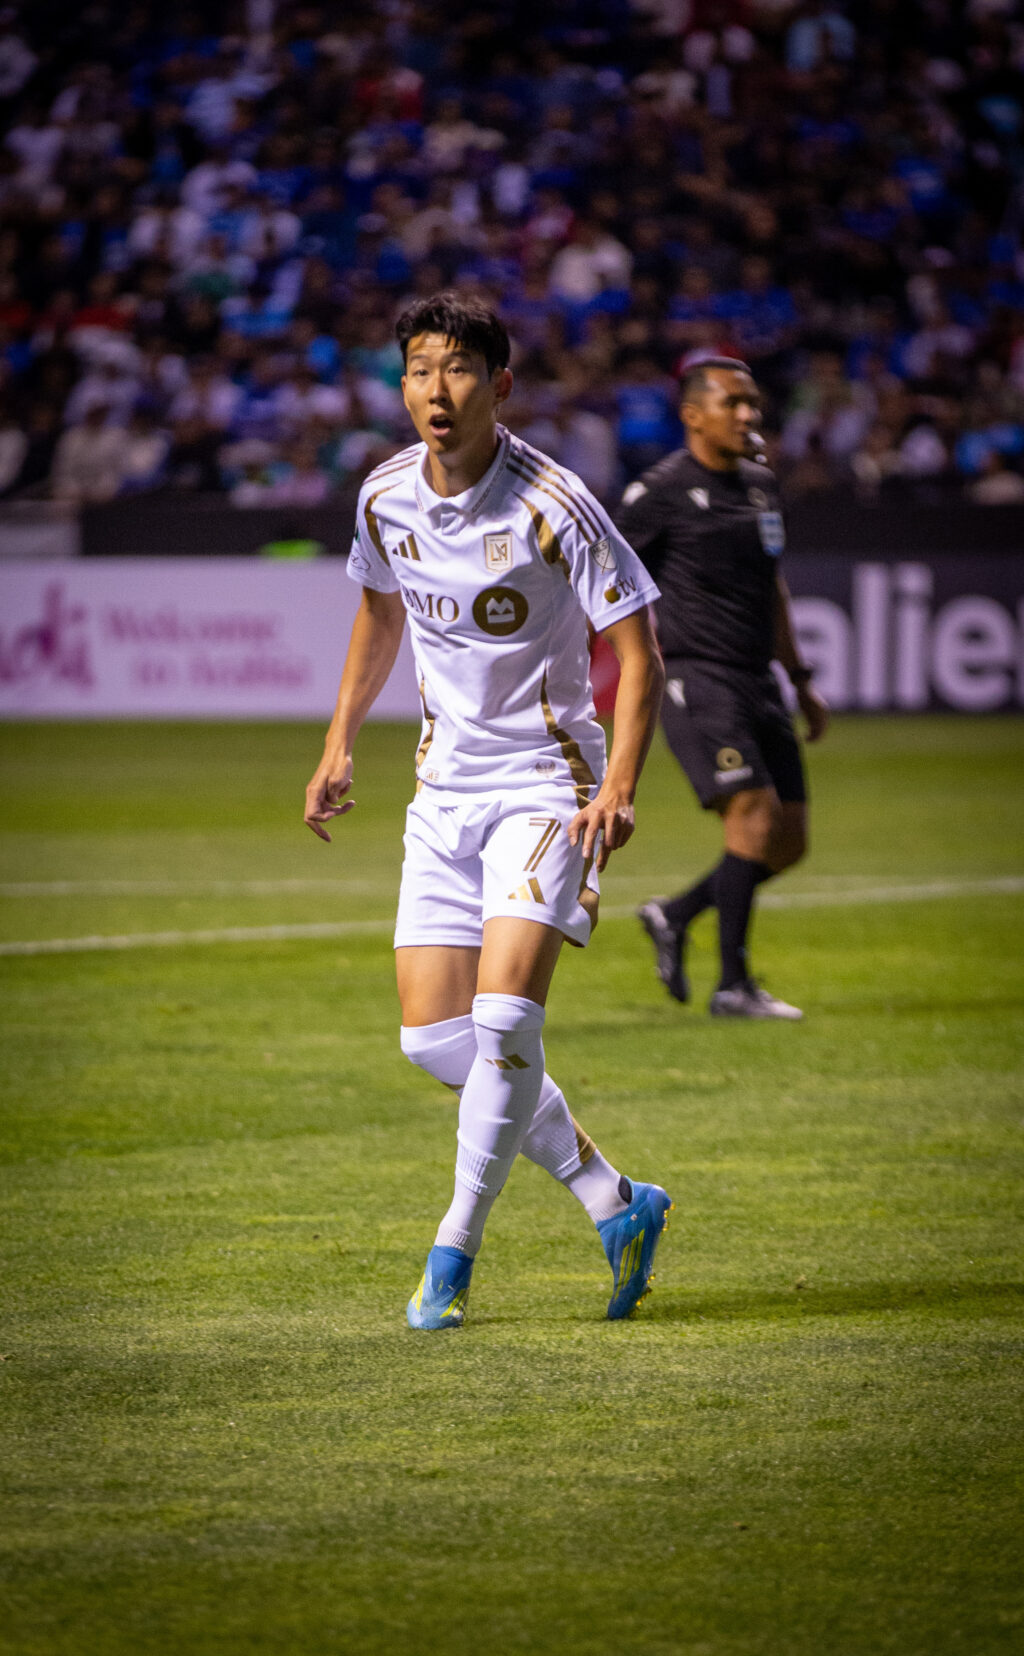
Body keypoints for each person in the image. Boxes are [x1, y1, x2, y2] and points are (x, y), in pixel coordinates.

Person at [304, 292, 671, 1330]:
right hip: (444, 790)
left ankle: (450, 1256)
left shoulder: (552, 503)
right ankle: (615, 1200)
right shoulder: (384, 498)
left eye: (458, 368)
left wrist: (619, 787)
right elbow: (379, 614)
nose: (436, 387)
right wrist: (338, 742)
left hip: (549, 788)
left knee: (507, 1017)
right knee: (436, 1041)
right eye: (420, 367)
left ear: (499, 385)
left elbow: (638, 653)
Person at [615, 356, 829, 1020]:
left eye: (752, 405)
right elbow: (600, 584)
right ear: (693, 416)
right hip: (695, 677)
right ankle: (733, 985)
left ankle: (674, 915)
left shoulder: (762, 487)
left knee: (789, 841)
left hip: (758, 680)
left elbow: (773, 587)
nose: (747, 416)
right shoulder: (659, 494)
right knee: (753, 818)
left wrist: (798, 678)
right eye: (733, 404)